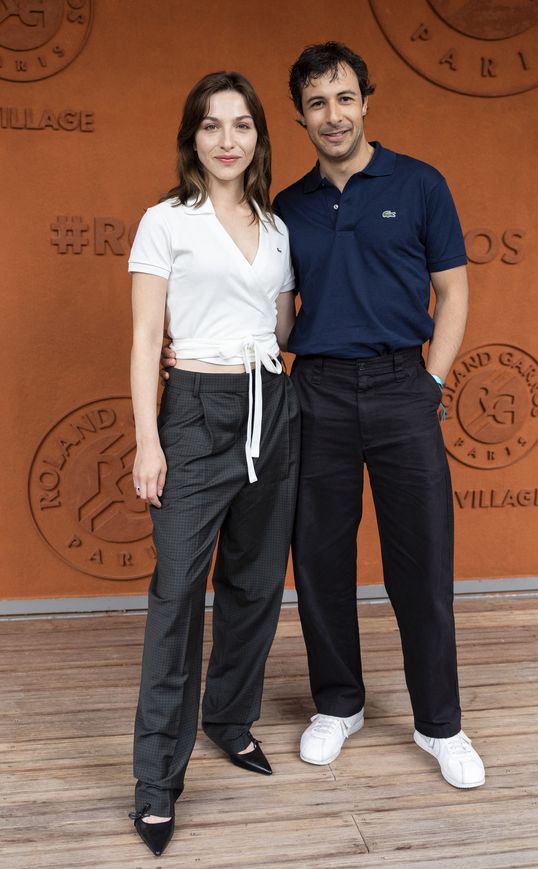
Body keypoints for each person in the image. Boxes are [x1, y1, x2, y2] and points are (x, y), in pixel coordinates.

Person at [162, 42, 485, 791]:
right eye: (316, 103)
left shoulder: (421, 183)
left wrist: (432, 383)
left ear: (365, 101)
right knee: (320, 562)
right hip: (318, 394)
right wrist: (200, 349)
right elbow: (265, 309)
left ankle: (442, 723)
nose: (332, 115)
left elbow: (455, 292)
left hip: (406, 385)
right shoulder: (290, 208)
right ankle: (338, 704)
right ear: (301, 116)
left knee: (423, 564)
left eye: (344, 98)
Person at [128, 71, 299, 856]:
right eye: (210, 124)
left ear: (258, 137)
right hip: (194, 412)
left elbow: (282, 319)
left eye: (241, 125)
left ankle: (230, 720)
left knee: (256, 584)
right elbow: (143, 339)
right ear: (191, 137)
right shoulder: (165, 221)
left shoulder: (276, 224)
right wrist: (149, 437)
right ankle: (157, 779)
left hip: (273, 407)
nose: (227, 139)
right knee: (175, 597)